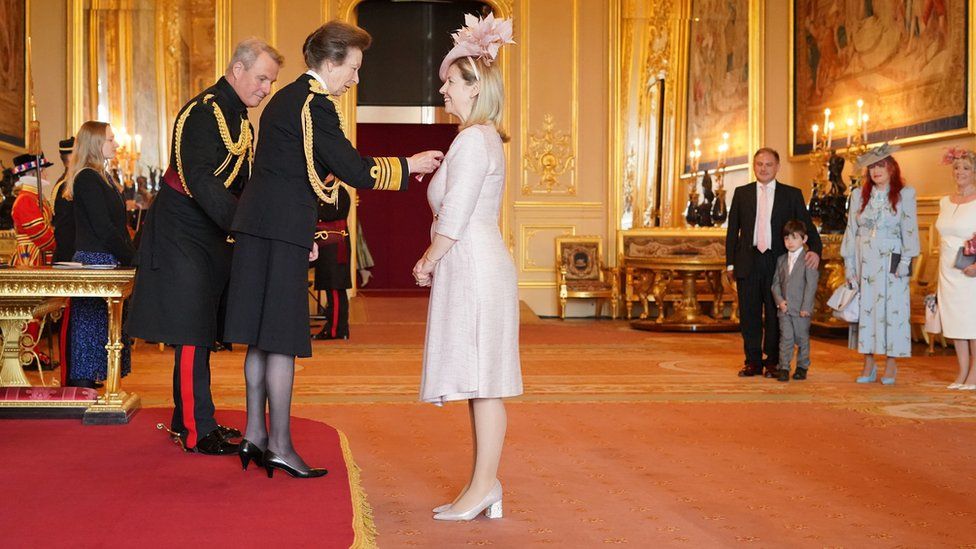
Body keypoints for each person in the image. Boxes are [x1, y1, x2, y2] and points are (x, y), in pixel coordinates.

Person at [224, 21, 443, 478]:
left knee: (261, 338)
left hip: (258, 229)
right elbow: (352, 169)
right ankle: (280, 445)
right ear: (331, 62)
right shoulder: (315, 105)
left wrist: (301, 232)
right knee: (280, 337)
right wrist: (410, 164)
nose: (356, 79)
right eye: (354, 68)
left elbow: (293, 174)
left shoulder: (286, 100)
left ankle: (255, 435)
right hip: (278, 232)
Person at [127, 38, 283, 455]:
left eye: (270, 81)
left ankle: (190, 418)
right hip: (181, 228)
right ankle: (198, 430)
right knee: (191, 329)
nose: (266, 89)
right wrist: (243, 224)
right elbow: (200, 179)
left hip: (210, 233)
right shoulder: (202, 112)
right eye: (262, 78)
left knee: (201, 328)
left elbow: (243, 184)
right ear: (237, 70)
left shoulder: (241, 122)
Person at [412, 13, 520, 522]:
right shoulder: (474, 139)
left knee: (486, 381)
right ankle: (483, 485)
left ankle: (484, 487)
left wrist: (428, 259)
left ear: (475, 88)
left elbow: (454, 214)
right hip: (473, 263)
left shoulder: (475, 139)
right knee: (482, 383)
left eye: (450, 83)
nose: (444, 92)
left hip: (473, 264)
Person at [726, 148, 822, 378]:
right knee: (748, 314)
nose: (764, 168)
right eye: (759, 164)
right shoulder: (742, 193)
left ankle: (773, 361)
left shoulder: (791, 195)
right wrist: (730, 264)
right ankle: (752, 361)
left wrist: (816, 251)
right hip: (748, 261)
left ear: (777, 167)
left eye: (769, 164)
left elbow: (807, 227)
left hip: (778, 263)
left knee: (774, 313)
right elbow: (732, 232)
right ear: (754, 166)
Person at [62, 121, 135, 388]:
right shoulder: (87, 178)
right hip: (96, 261)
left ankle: (93, 383)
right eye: (111, 139)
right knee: (91, 326)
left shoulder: (101, 176)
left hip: (106, 259)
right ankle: (83, 385)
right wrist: (130, 256)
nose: (116, 143)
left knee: (104, 326)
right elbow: (103, 227)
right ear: (95, 143)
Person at [841, 144, 920, 385]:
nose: (876, 171)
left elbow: (909, 228)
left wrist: (906, 260)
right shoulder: (858, 196)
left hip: (892, 262)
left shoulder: (905, 194)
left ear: (891, 168)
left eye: (881, 165)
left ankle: (891, 364)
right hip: (865, 261)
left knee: (892, 312)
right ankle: (868, 362)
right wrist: (850, 265)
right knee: (867, 312)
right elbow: (852, 232)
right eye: (872, 167)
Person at [935, 147, 976, 390]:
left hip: (970, 272)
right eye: (957, 168)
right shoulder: (944, 202)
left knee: (973, 323)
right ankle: (961, 371)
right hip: (948, 270)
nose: (960, 172)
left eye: (966, 168)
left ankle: (975, 374)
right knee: (955, 322)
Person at [771, 220, 819, 382]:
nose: (790, 242)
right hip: (784, 309)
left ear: (804, 239)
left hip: (801, 309)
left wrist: (806, 307)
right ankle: (784, 367)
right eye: (787, 239)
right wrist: (779, 301)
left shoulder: (808, 259)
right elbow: (775, 284)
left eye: (794, 238)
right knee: (786, 339)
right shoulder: (781, 260)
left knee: (802, 338)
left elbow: (811, 285)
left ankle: (802, 366)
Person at [312, 184, 352, 340]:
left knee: (335, 288)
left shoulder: (338, 192)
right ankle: (334, 327)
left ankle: (336, 329)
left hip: (334, 244)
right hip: (326, 244)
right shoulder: (322, 189)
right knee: (332, 287)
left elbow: (327, 214)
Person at [52, 138, 76, 263]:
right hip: (69, 257)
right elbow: (65, 229)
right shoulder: (66, 186)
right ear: (72, 157)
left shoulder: (64, 182)